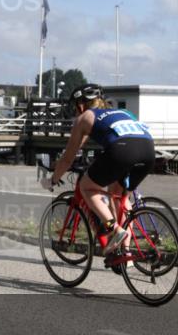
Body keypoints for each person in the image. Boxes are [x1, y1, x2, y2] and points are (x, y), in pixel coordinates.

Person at [40, 84, 155, 258]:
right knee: (120, 195)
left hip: (122, 150)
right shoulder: (122, 113)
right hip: (148, 150)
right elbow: (83, 143)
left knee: (87, 187)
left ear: (80, 105)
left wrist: (53, 180)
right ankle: (126, 251)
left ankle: (114, 229)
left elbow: (68, 158)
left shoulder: (85, 117)